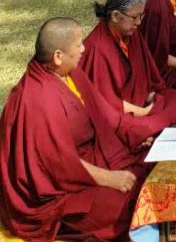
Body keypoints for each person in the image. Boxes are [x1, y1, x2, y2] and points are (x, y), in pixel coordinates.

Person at [0, 18, 148, 242]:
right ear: (57, 56)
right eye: (78, 45)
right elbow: (57, 166)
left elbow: (103, 114)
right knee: (127, 204)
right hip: (57, 193)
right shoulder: (38, 100)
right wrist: (110, 178)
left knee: (148, 169)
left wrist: (133, 136)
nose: (84, 48)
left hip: (89, 159)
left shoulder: (68, 73)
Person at [81, 0, 176, 148]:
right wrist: (145, 112)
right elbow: (106, 103)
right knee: (136, 130)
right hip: (121, 116)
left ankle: (151, 132)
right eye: (135, 18)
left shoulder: (131, 33)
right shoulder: (98, 48)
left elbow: (146, 74)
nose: (139, 23)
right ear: (116, 16)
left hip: (144, 105)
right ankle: (147, 133)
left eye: (141, 16)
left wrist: (151, 96)